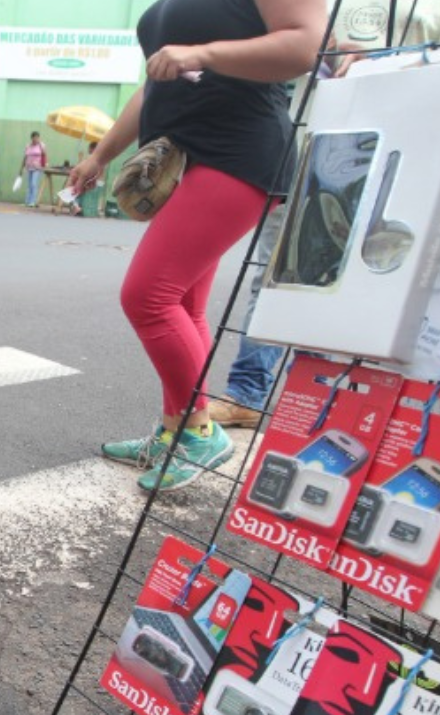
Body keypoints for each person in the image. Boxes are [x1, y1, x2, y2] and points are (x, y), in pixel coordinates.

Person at [68, 0, 325, 492]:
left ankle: (198, 431)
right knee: (183, 304)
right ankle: (174, 432)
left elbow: (306, 43)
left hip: (237, 150)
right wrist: (100, 155)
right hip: (182, 155)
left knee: (147, 296)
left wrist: (202, 53)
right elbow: (156, 83)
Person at [209, 0, 440, 429]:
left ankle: (379, 404)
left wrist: (386, 61)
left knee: (392, 282)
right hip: (318, 142)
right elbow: (286, 52)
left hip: (410, 156)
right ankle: (252, 391)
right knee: (285, 276)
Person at [21, 132, 46, 208]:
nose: (36, 139)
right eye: (34, 138)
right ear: (31, 138)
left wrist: (44, 165)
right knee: (29, 185)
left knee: (34, 184)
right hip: (29, 167)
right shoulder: (28, 145)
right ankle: (27, 201)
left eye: (37, 137)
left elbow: (44, 155)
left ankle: (32, 201)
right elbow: (25, 156)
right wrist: (22, 167)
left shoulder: (41, 145)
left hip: (37, 168)